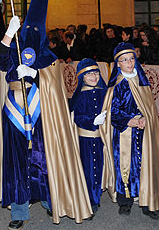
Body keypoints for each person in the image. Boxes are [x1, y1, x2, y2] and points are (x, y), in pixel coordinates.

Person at [0, 0, 92, 229]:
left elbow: (54, 81)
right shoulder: (14, 43)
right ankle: (20, 211)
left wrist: (36, 75)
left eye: (36, 28)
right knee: (16, 160)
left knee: (42, 158)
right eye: (27, 28)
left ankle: (49, 201)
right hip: (13, 110)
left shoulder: (46, 53)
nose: (31, 31)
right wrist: (8, 34)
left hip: (39, 111)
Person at [107, 43, 159, 220]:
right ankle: (125, 201)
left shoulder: (142, 82)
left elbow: (149, 107)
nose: (129, 63)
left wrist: (146, 119)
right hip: (125, 131)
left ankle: (149, 202)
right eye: (124, 60)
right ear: (118, 63)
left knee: (146, 164)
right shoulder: (117, 85)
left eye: (132, 58)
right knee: (125, 165)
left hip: (144, 131)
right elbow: (112, 110)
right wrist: (130, 121)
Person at [69, 58, 109, 214]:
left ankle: (96, 195)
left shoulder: (104, 92)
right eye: (89, 74)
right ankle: (90, 200)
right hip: (84, 139)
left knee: (99, 166)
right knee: (87, 168)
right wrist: (92, 121)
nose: (94, 77)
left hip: (101, 138)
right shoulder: (79, 95)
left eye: (96, 73)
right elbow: (77, 117)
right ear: (82, 77)